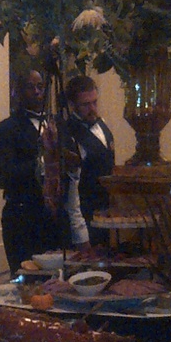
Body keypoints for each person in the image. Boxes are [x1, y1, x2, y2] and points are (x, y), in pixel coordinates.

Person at [0, 71, 83, 275]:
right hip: (23, 219)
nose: (36, 92)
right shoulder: (4, 130)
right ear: (18, 92)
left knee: (63, 280)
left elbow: (72, 164)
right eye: (30, 87)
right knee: (30, 280)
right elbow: (3, 176)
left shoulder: (59, 125)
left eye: (40, 86)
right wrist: (44, 162)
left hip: (57, 218)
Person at [65, 74, 116, 247]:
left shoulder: (102, 124)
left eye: (95, 102)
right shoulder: (68, 134)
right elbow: (72, 192)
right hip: (87, 218)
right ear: (72, 105)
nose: (93, 108)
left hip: (108, 214)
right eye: (86, 105)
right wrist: (81, 234)